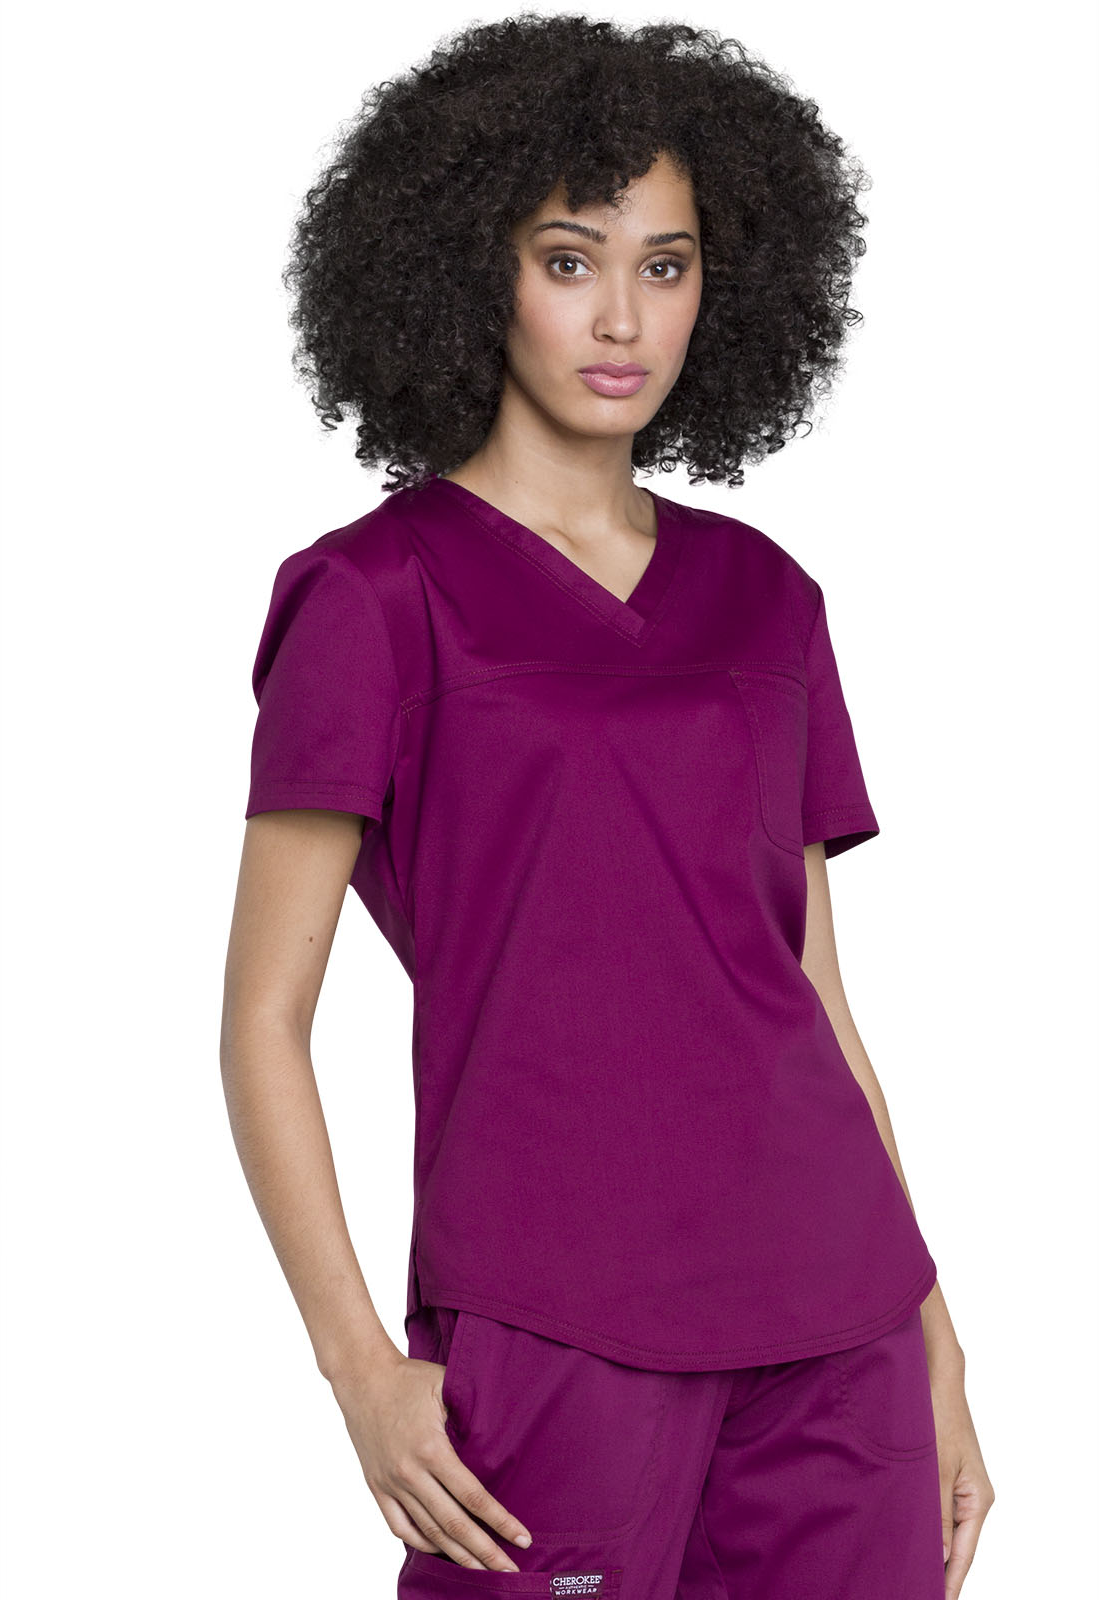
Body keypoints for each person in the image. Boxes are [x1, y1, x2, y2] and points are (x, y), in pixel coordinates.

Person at [221, 16, 994, 1599]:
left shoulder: (769, 597)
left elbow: (812, 995)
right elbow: (261, 1024)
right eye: (569, 261)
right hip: (553, 1319)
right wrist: (360, 1369)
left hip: (837, 1312)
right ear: (472, 270)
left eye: (668, 264)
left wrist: (934, 1328)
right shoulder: (373, 596)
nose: (624, 317)